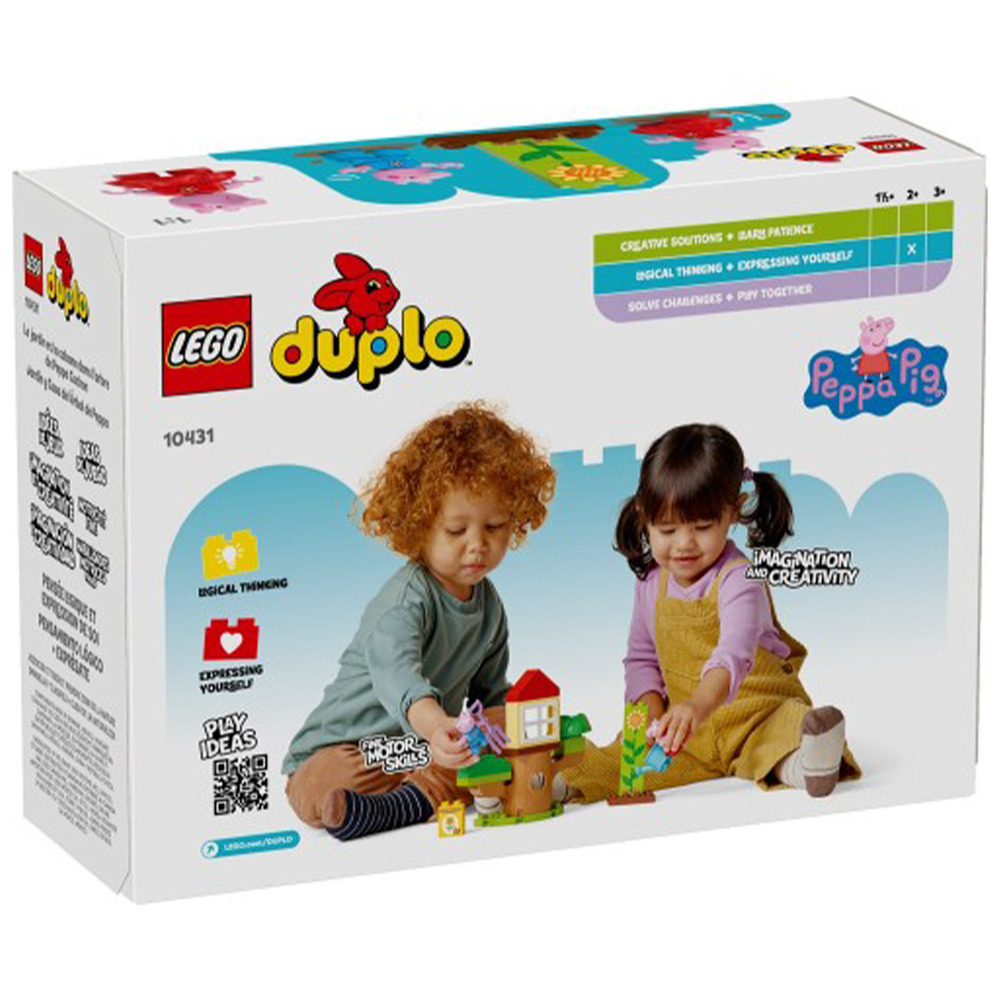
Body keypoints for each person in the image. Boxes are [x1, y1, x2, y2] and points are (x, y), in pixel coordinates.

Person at [283, 402, 556, 840]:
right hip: (350, 749)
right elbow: (399, 677)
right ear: (419, 525)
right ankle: (399, 797)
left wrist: (523, 734)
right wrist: (434, 726)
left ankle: (404, 804)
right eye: (456, 530)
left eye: (494, 526)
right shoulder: (405, 602)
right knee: (326, 780)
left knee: (503, 730)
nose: (477, 545)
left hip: (426, 748)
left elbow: (490, 693)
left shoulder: (489, 607)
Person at [561, 423, 860, 803]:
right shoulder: (650, 583)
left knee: (776, 736)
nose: (684, 543)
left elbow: (733, 652)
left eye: (703, 526)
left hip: (755, 712)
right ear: (643, 516)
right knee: (625, 763)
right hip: (690, 733)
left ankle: (808, 761)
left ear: (733, 511)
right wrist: (653, 718)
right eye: (667, 529)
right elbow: (641, 659)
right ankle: (558, 782)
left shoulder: (740, 578)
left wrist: (699, 704)